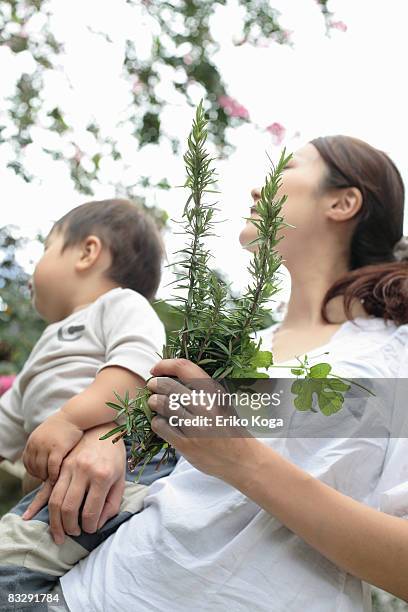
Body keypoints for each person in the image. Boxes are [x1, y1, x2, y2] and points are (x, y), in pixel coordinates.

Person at [5, 136, 408, 611]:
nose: (260, 189)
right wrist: (110, 436)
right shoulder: (244, 346)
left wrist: (242, 459)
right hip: (85, 594)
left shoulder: (394, 355)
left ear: (343, 202)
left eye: (289, 166)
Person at [0, 199, 178, 605]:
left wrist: (67, 419)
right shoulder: (46, 346)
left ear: (87, 251)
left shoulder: (120, 304)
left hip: (125, 464)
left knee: (7, 564)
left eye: (47, 248)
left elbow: (137, 371)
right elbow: (8, 422)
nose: (34, 269)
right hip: (60, 487)